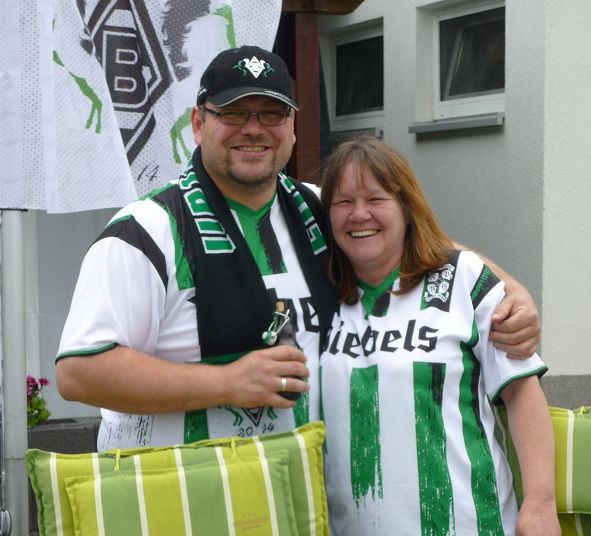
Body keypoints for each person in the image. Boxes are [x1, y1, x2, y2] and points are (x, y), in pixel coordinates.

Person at [56, 45, 540, 451]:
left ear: (292, 127)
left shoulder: (316, 208)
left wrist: (511, 293)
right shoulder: (148, 229)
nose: (253, 128)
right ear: (198, 124)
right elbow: (80, 373)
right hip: (184, 513)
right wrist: (227, 383)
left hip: (300, 513)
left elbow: (419, 243)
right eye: (233, 113)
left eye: (271, 114)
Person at [318, 137, 562, 536]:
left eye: (376, 198)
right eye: (343, 201)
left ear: (406, 204)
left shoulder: (466, 281)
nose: (359, 214)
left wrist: (539, 502)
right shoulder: (318, 296)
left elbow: (522, 394)